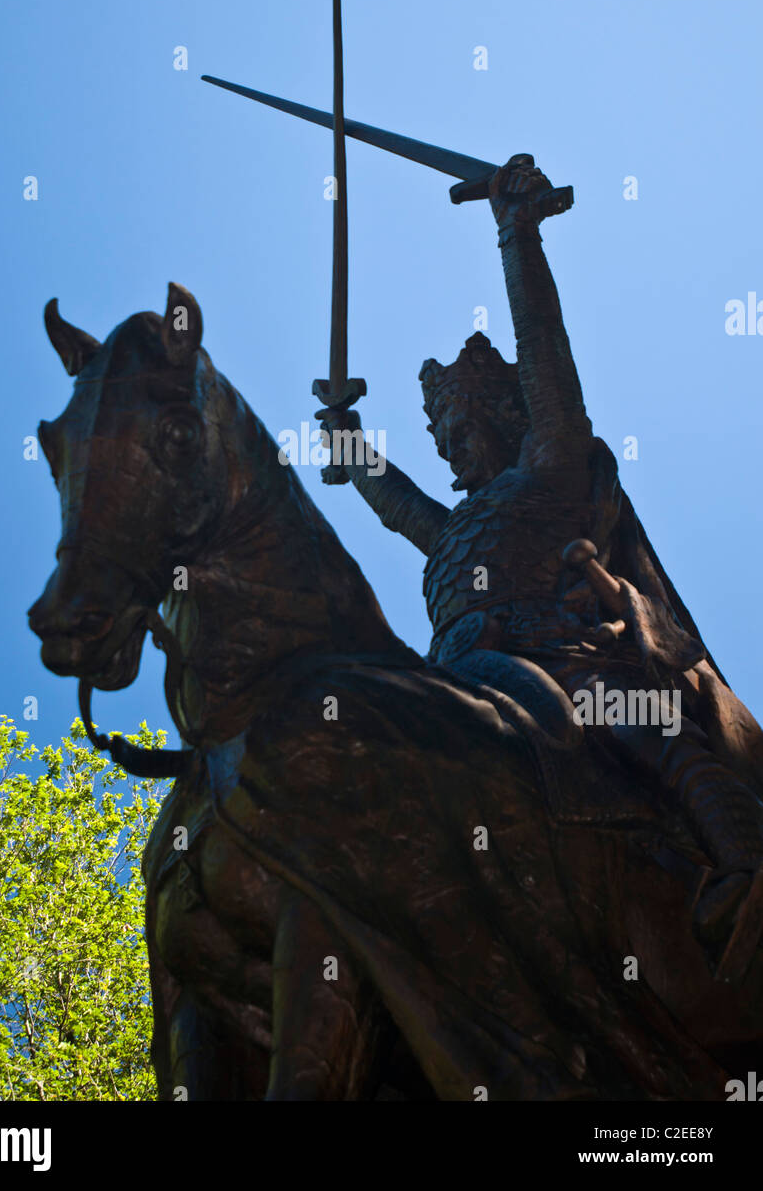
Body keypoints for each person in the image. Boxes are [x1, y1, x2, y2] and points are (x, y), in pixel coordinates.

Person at [324, 154, 763, 967]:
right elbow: (399, 511)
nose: (450, 454)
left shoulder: (550, 469)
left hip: (564, 661)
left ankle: (741, 862)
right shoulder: (457, 529)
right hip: (460, 674)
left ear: (502, 417)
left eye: (457, 434)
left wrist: (513, 233)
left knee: (643, 727)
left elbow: (545, 354)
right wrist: (348, 446)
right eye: (439, 441)